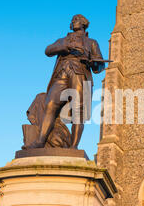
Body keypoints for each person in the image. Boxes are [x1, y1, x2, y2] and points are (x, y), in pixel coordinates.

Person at [28, 14, 105, 149]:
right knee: (51, 104)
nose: (74, 21)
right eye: (73, 20)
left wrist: (92, 62)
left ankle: (73, 147)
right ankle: (40, 141)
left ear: (84, 23)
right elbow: (48, 50)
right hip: (62, 74)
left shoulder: (92, 42)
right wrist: (65, 47)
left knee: (78, 111)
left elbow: (100, 65)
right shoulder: (63, 40)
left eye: (77, 19)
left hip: (80, 74)